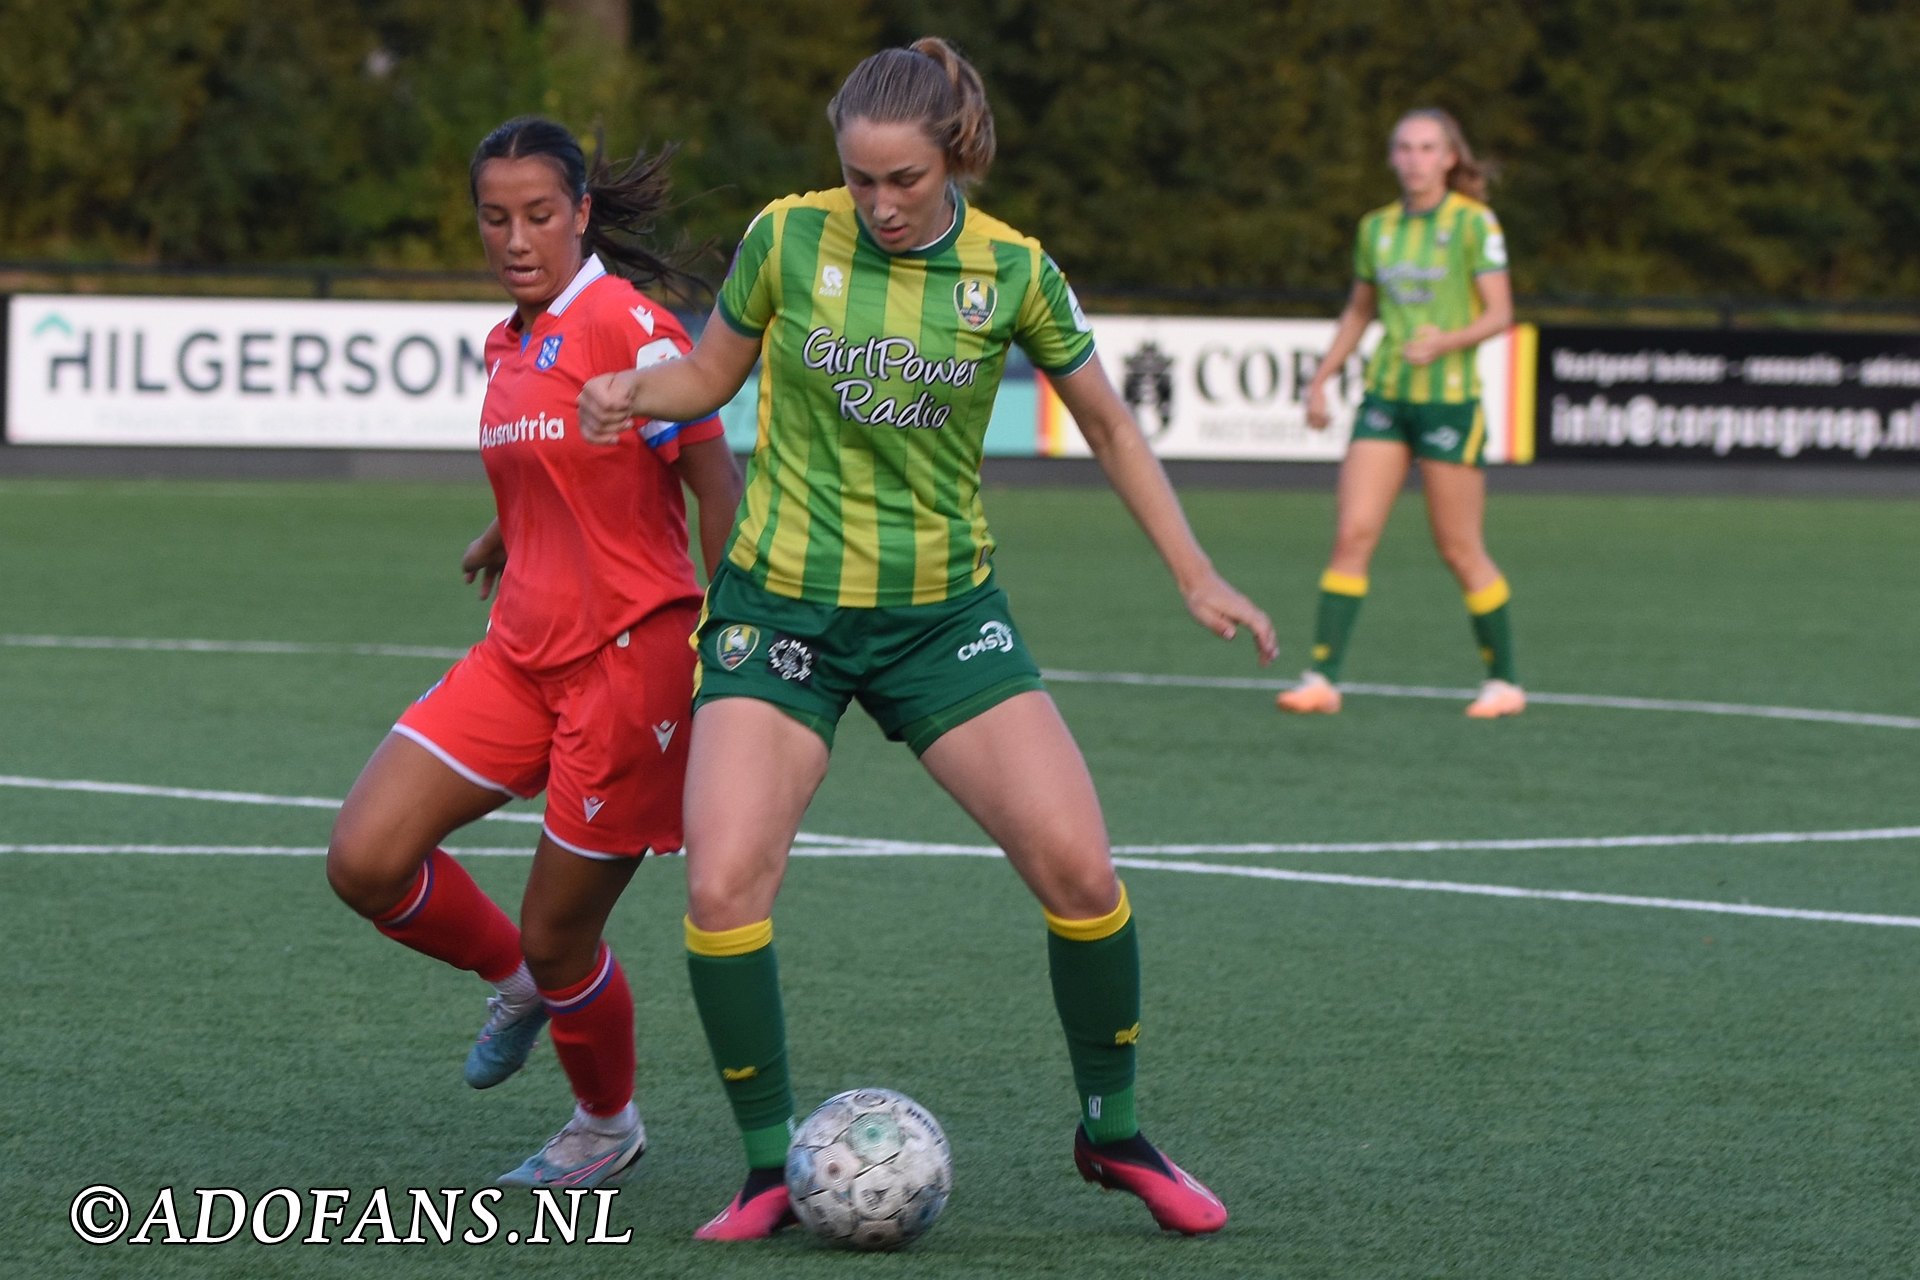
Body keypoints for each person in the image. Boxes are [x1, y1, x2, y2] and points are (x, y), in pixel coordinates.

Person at [577, 37, 1275, 1239]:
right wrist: (632, 393)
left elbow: (1106, 423)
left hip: (943, 620)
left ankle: (1112, 1134)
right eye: (861, 179)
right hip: (781, 613)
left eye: (903, 180)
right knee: (723, 880)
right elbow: (706, 377)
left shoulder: (1014, 272)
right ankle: (764, 1169)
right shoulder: (787, 237)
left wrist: (1196, 570)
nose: (881, 204)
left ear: (956, 157)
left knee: (1082, 872)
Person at [325, 116, 741, 1189]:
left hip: (626, 662)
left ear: (583, 214)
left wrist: (736, 632)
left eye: (540, 215)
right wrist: (506, 528)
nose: (516, 237)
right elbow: (560, 450)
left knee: (567, 939)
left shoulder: (628, 324)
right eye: (495, 217)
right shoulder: (511, 337)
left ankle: (606, 1122)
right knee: (366, 859)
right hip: (521, 653)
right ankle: (514, 978)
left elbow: (708, 477)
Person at [1277, 108, 1523, 719]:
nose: (1414, 159)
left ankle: (1505, 682)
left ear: (1449, 158)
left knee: (1459, 547)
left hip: (1449, 401)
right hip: (1385, 397)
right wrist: (1324, 377)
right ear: (1392, 158)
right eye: (1404, 148)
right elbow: (1361, 311)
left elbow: (1500, 314)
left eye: (1426, 148)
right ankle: (1321, 677)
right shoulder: (1377, 228)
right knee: (1353, 532)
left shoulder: (1473, 223)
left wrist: (1446, 342)